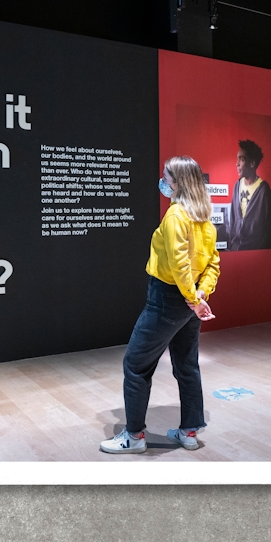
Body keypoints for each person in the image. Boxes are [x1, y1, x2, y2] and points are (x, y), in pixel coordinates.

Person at [100, 155, 220, 455]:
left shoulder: (176, 216)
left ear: (178, 183)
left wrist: (193, 299)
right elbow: (213, 265)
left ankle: (134, 436)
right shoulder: (204, 218)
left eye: (166, 177)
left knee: (135, 365)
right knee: (187, 366)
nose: (162, 181)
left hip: (167, 299)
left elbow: (179, 265)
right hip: (189, 303)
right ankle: (189, 432)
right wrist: (200, 296)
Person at [227, 139, 271, 251]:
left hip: (255, 252)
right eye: (237, 159)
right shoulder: (237, 186)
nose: (237, 163)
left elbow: (270, 230)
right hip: (236, 250)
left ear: (252, 163)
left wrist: (259, 253)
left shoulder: (264, 191)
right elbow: (233, 219)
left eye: (242, 160)